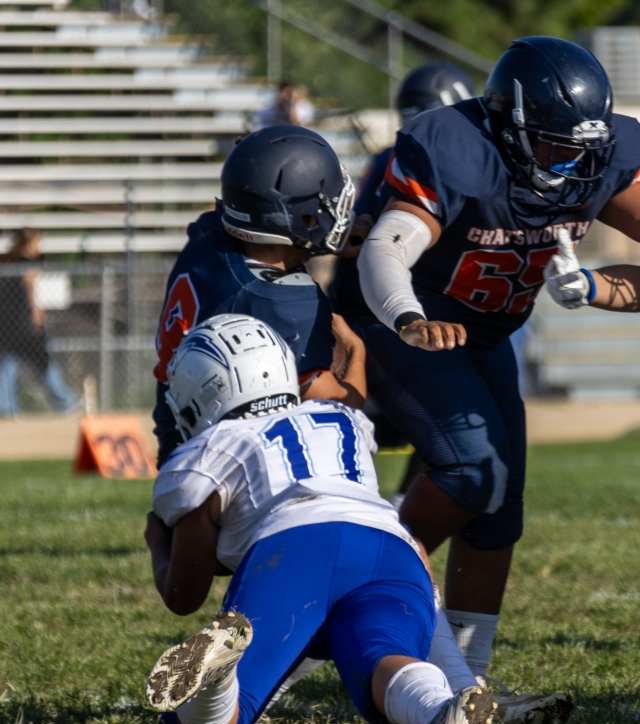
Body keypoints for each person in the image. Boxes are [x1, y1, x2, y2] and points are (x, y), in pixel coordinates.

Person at [344, 36, 640, 690]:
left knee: (501, 509)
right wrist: (408, 317)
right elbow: (386, 250)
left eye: (583, 147)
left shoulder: (601, 152)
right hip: (406, 323)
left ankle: (467, 681)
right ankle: (347, 577)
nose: (574, 163)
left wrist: (595, 286)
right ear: (511, 128)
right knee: (474, 471)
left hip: (486, 335)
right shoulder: (458, 151)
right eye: (557, 145)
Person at [144, 313, 497, 724]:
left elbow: (183, 595)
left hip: (295, 551)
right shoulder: (340, 417)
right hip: (390, 549)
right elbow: (352, 390)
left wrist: (158, 543)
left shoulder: (213, 449)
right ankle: (438, 713)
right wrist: (358, 353)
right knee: (381, 657)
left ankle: (219, 675)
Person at [152, 124, 370, 468]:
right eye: (327, 206)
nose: (340, 213)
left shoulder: (208, 235)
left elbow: (265, 242)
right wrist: (358, 352)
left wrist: (328, 238)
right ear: (307, 217)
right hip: (231, 466)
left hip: (177, 444)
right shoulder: (284, 305)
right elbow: (340, 410)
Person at [332, 62, 479, 501]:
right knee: (446, 425)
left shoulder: (389, 157)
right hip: (385, 314)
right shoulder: (413, 160)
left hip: (375, 306)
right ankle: (377, 508)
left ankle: (385, 502)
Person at [0, 229, 75, 416]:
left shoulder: (10, 261)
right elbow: (31, 286)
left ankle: (7, 409)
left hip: (9, 325)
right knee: (43, 364)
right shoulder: (28, 263)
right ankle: (66, 402)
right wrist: (37, 314)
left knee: (8, 367)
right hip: (26, 325)